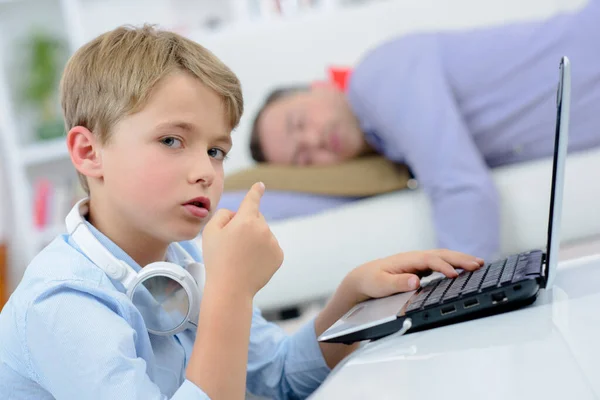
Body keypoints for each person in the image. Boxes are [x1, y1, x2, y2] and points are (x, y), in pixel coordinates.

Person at [0, 25, 484, 399]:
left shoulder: (183, 254)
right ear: (88, 152)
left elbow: (278, 378)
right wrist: (231, 291)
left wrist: (353, 299)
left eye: (216, 151)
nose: (206, 172)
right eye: (172, 140)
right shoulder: (64, 302)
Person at [249, 0, 600, 261]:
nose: (313, 140)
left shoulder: (376, 79)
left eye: (299, 122)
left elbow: (462, 189)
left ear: (318, 86)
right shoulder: (391, 148)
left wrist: (455, 302)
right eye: (305, 158)